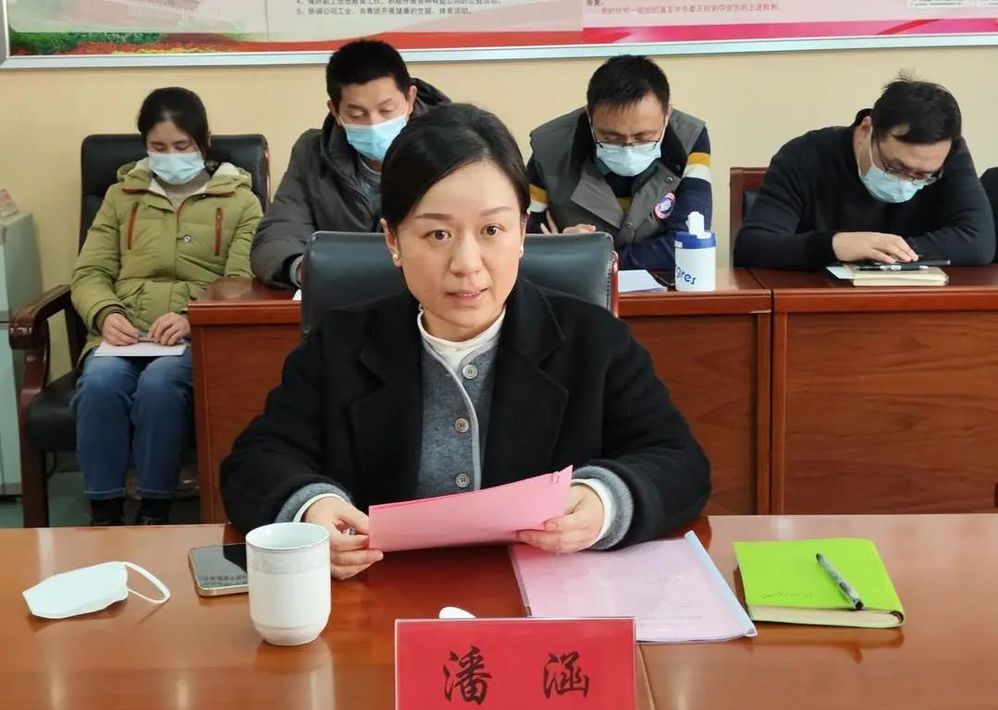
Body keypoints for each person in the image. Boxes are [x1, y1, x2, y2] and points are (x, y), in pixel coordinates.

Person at [222, 103, 710, 579]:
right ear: (393, 241)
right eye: (437, 235)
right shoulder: (342, 344)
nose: (467, 263)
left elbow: (679, 461)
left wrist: (604, 500)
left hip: (543, 601)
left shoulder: (593, 340)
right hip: (384, 602)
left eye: (492, 229)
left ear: (522, 232)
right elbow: (256, 461)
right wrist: (311, 507)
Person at [71, 87, 261, 526]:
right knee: (99, 382)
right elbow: (90, 272)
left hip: (194, 337)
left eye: (181, 146)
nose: (170, 157)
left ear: (204, 142)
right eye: (158, 147)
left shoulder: (240, 202)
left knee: (160, 385)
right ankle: (104, 510)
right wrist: (106, 314)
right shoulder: (121, 196)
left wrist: (193, 318)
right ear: (144, 146)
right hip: (123, 332)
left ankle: (154, 508)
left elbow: (240, 282)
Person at [733, 76, 995, 269]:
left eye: (922, 176)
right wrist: (834, 245)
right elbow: (752, 247)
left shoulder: (949, 156)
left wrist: (884, 251)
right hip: (819, 307)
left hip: (917, 305)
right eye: (896, 167)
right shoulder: (805, 155)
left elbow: (978, 241)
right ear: (865, 131)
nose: (906, 182)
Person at [251, 38, 449, 288]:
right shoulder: (312, 154)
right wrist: (306, 270)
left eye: (386, 110)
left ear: (410, 99)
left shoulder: (455, 149)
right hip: (343, 297)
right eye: (357, 114)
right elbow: (276, 237)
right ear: (335, 111)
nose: (374, 124)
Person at [525, 55, 711, 271]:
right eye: (611, 137)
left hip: (663, 283)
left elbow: (687, 243)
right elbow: (525, 246)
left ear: (667, 115)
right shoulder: (549, 148)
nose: (628, 147)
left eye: (643, 137)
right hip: (574, 284)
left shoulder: (690, 138)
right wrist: (559, 250)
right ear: (589, 117)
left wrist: (585, 256)